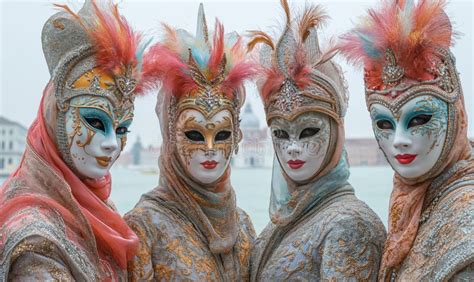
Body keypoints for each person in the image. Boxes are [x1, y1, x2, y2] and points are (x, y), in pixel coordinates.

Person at [0, 1, 145, 280]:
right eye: (95, 121)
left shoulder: (100, 213)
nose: (111, 144)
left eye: (122, 129)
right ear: (56, 116)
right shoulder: (34, 240)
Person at [248, 1, 386, 281]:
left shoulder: (349, 225)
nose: (293, 148)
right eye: (281, 134)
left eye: (309, 131)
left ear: (335, 133)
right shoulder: (286, 218)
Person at [338, 0, 474, 280]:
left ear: (454, 116)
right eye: (384, 124)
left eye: (419, 119)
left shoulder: (466, 209)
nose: (398, 140)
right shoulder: (411, 204)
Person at [125, 4, 256, 281]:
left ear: (236, 136)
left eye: (221, 135)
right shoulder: (144, 225)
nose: (209, 149)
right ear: (171, 135)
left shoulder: (242, 223)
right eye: (194, 135)